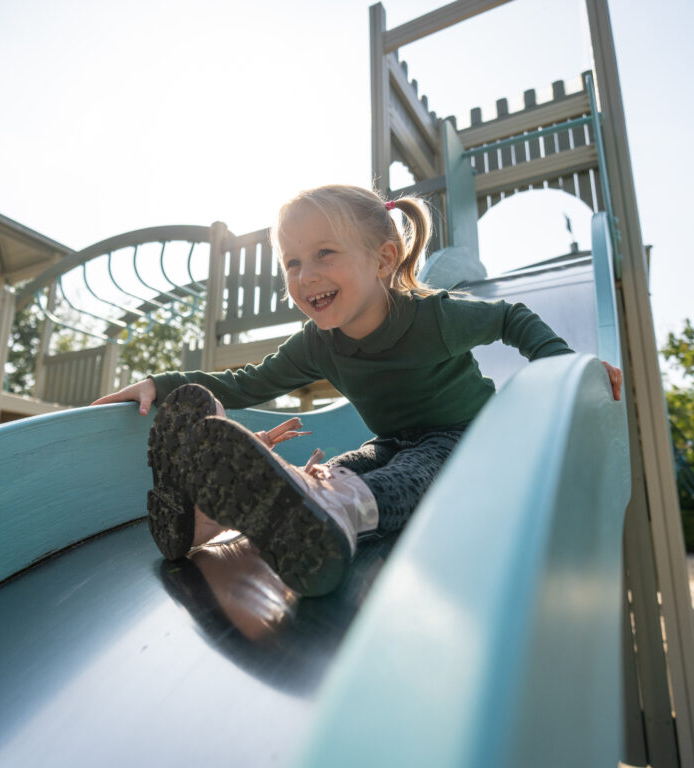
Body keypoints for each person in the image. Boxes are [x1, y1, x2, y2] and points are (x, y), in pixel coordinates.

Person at [92, 184, 623, 597]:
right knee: (344, 465)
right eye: (292, 263)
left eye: (325, 253)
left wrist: (564, 368)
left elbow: (511, 316)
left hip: (469, 441)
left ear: (384, 260)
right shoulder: (318, 344)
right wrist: (161, 384)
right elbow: (247, 382)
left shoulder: (434, 317)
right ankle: (213, 516)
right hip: (392, 439)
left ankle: (337, 518)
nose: (305, 276)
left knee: (410, 476)